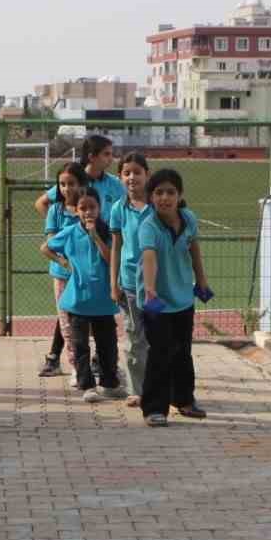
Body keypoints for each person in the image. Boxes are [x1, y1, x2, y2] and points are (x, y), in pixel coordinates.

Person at [36, 135, 124, 380]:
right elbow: (44, 204)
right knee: (71, 317)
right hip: (70, 268)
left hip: (99, 264)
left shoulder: (113, 184)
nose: (111, 158)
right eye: (106, 154)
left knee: (93, 317)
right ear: (92, 156)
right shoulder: (74, 180)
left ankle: (103, 365)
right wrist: (59, 236)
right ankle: (76, 366)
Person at [137, 168, 212, 427]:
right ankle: (154, 409)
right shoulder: (148, 226)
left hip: (183, 299)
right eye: (158, 192)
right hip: (156, 301)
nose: (164, 198)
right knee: (159, 354)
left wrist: (201, 280)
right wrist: (150, 290)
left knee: (182, 353)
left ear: (180, 195)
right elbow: (149, 257)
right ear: (151, 197)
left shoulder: (188, 218)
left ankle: (184, 401)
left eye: (170, 192)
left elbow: (194, 249)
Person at [43, 187, 125, 402]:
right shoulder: (70, 231)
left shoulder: (108, 232)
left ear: (100, 208)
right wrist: (63, 262)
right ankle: (86, 384)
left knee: (107, 345)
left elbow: (111, 259)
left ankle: (110, 383)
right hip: (78, 300)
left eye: (92, 207)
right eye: (83, 208)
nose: (88, 212)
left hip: (104, 301)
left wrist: (96, 236)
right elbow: (45, 247)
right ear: (76, 210)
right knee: (80, 346)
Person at [107, 152, 152, 407]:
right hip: (130, 285)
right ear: (120, 177)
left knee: (159, 337)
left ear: (147, 174)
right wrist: (113, 283)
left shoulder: (158, 206)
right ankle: (138, 389)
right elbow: (116, 247)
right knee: (136, 337)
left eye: (137, 171)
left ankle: (160, 386)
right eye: (126, 173)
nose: (132, 177)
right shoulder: (118, 209)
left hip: (158, 285)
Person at [38, 163, 90, 379]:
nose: (67, 189)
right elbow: (50, 245)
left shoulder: (87, 208)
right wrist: (65, 262)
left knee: (87, 321)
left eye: (71, 184)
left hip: (86, 276)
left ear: (81, 185)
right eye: (62, 184)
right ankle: (76, 367)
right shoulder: (55, 211)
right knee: (66, 323)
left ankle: (94, 363)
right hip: (63, 276)